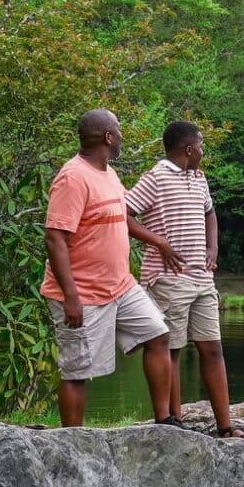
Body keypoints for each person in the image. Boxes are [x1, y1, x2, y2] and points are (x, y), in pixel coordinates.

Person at [43, 109, 176, 428]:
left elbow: (123, 219)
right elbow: (54, 238)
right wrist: (70, 297)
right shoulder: (73, 177)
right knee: (77, 371)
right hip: (83, 292)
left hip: (121, 286)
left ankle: (165, 422)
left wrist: (158, 241)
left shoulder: (109, 173)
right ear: (107, 137)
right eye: (119, 130)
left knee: (158, 335)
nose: (121, 136)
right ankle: (72, 444)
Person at [125, 120, 244, 438]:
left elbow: (210, 213)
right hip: (168, 279)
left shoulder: (200, 178)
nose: (203, 150)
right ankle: (174, 422)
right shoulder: (156, 177)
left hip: (202, 279)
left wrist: (213, 246)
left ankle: (226, 426)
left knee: (212, 349)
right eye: (201, 144)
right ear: (189, 148)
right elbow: (124, 214)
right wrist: (159, 242)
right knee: (172, 351)